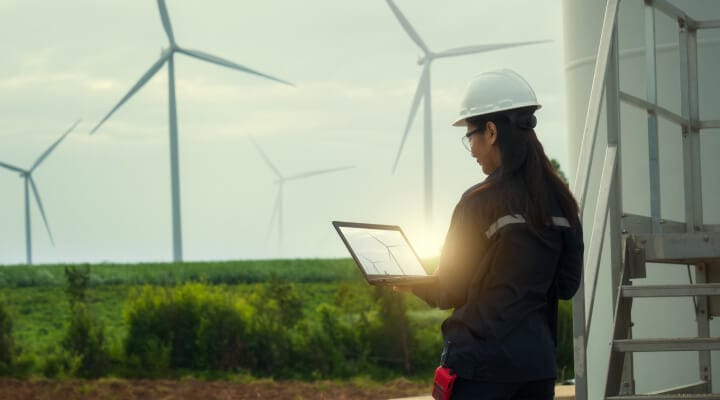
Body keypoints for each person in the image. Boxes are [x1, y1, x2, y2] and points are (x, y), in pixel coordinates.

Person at [395, 69, 584, 400]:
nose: (471, 150)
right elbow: (567, 286)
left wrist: (412, 282)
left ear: (492, 132)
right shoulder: (561, 201)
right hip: (537, 368)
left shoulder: (478, 202)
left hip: (480, 369)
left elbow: (450, 289)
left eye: (470, 136)